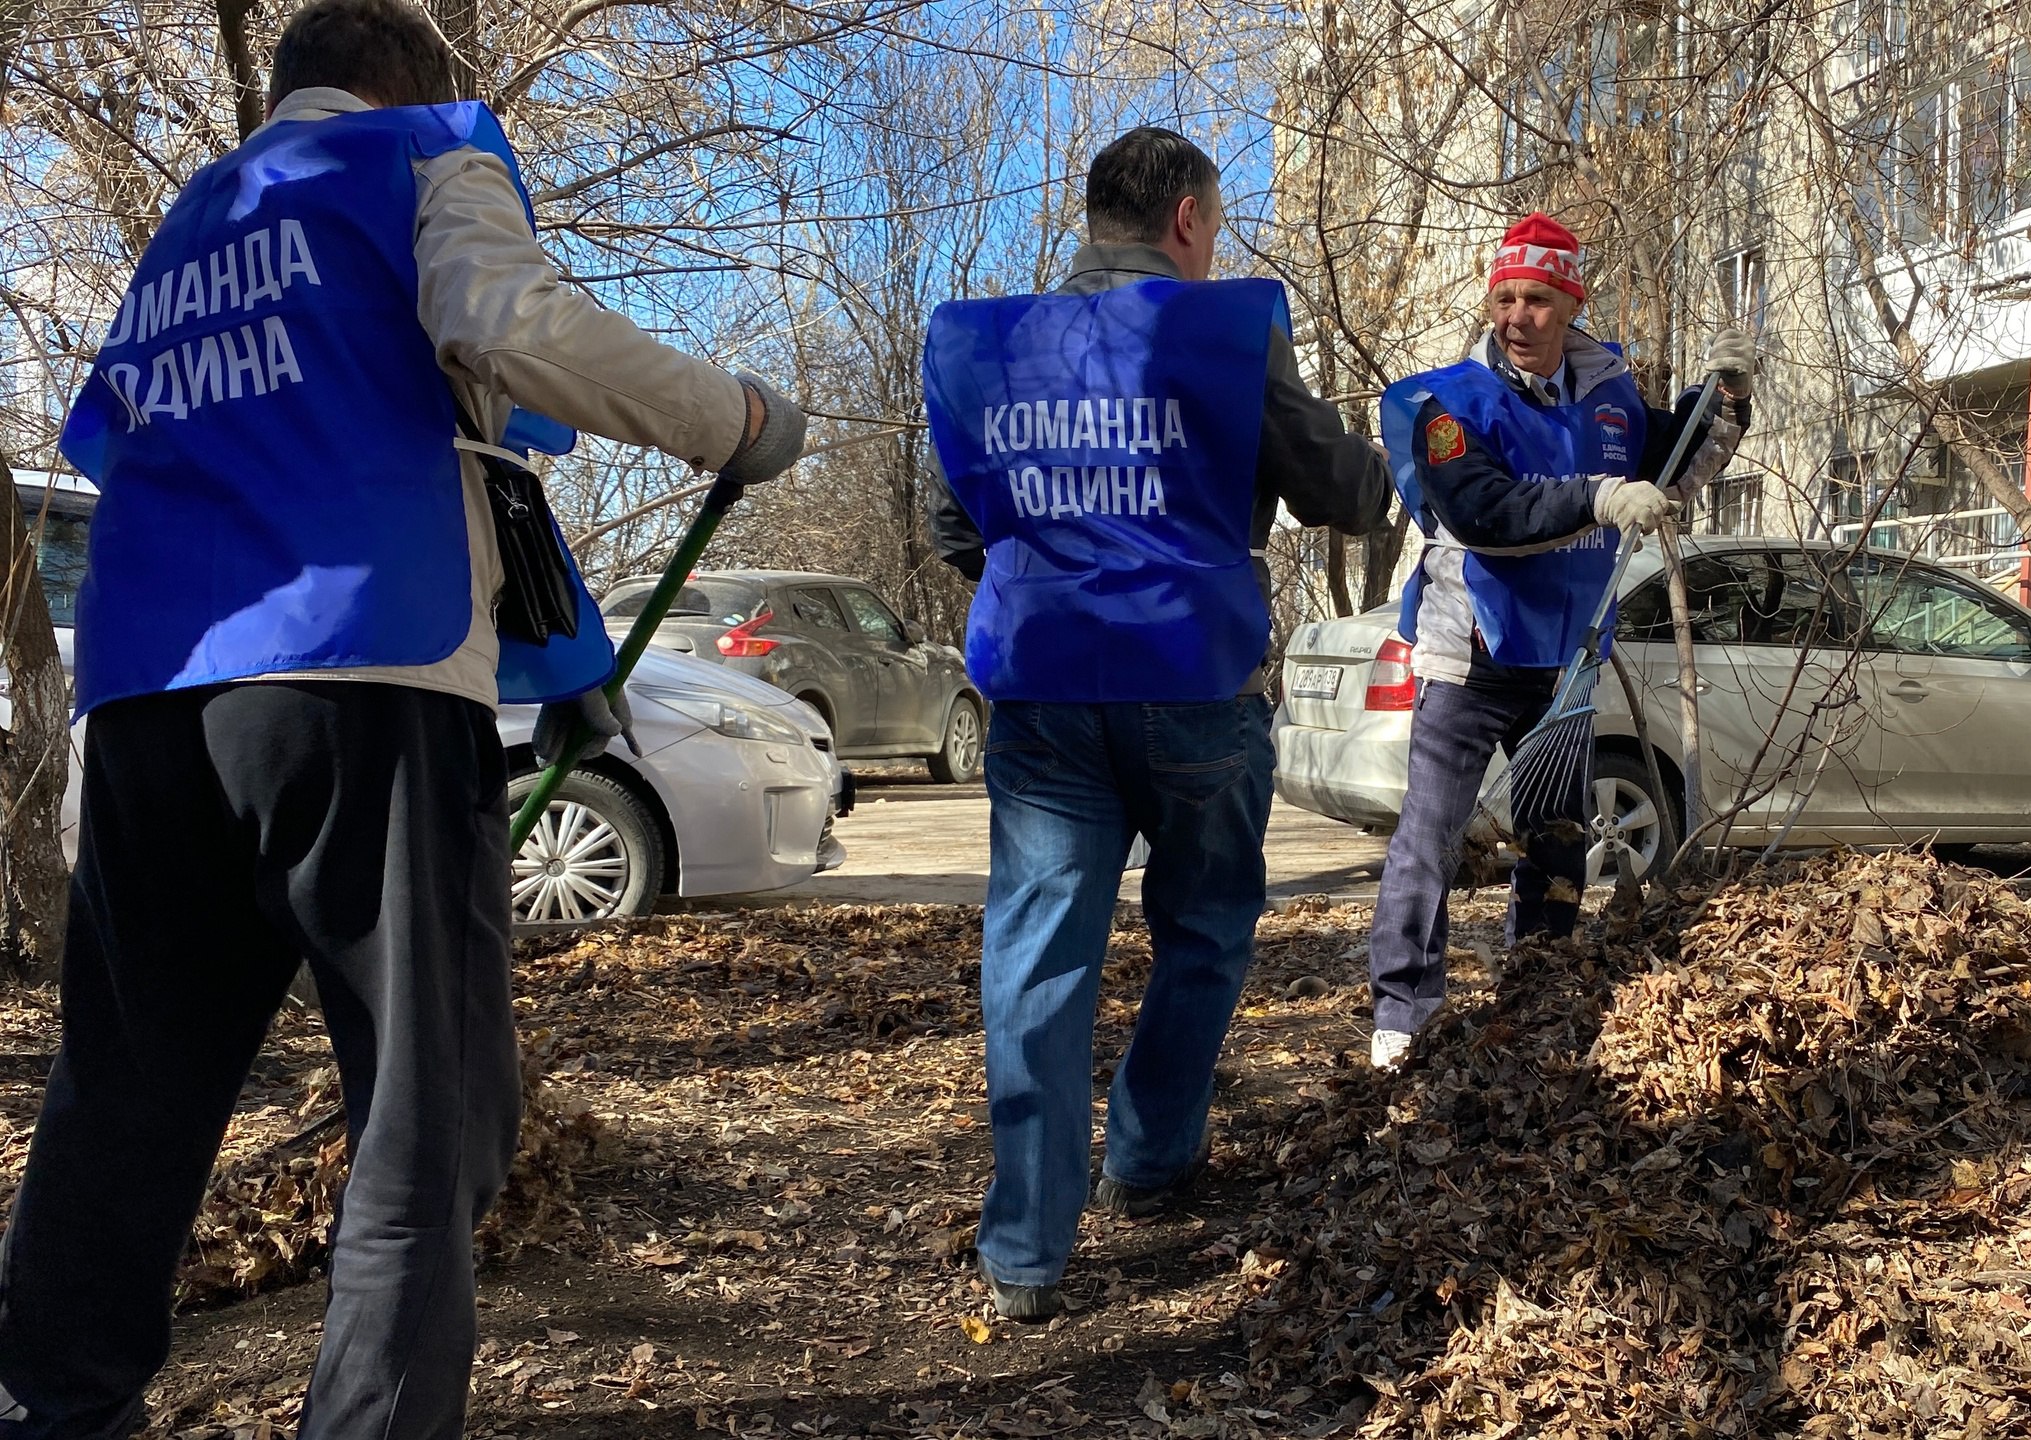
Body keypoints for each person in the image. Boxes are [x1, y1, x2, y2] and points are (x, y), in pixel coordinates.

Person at [0, 1, 806, 1433]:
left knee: (128, 1090)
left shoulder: (192, 225)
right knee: (429, 1118)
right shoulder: (423, 150)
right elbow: (506, 322)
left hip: (146, 693)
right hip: (358, 673)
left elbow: (128, 439)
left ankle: (50, 1404)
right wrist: (731, 419)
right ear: (408, 86)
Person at [920, 127, 1390, 1321]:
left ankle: (1025, 1253)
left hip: (1044, 692)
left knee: (1036, 958)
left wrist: (1061, 568)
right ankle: (1147, 1155)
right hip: (1193, 684)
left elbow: (958, 527)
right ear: (1186, 219)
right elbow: (1336, 490)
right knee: (1206, 929)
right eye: (1213, 226)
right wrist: (1382, 465)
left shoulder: (991, 347)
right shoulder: (1222, 331)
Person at [1364, 213, 1752, 1071]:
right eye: (1503, 298)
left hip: (1566, 663)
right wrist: (1599, 498)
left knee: (1558, 836)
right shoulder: (1451, 404)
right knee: (1431, 837)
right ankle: (1403, 1012)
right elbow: (1484, 513)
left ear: (1572, 304)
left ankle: (1537, 990)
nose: (1517, 316)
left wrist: (1726, 400)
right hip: (1471, 654)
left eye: (1537, 299)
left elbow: (1678, 462)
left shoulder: (1610, 398)